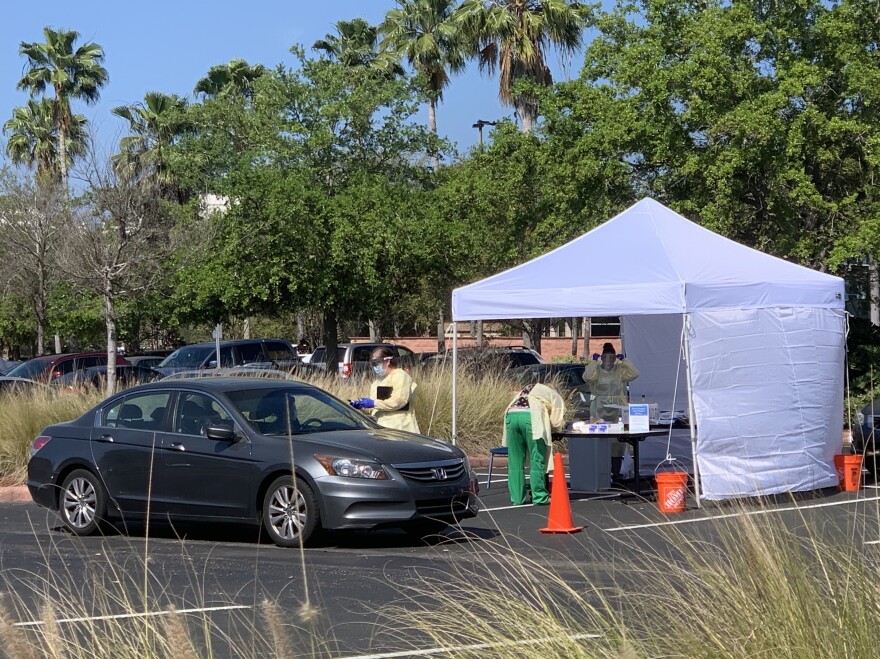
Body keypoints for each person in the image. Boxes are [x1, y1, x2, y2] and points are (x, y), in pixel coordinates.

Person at [582, 342, 640, 481]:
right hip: (599, 409)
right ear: (602, 357)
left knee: (617, 443)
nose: (609, 362)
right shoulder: (596, 370)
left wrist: (625, 361)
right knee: (600, 440)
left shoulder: (619, 370)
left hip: (617, 408)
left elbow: (635, 374)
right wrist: (593, 362)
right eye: (606, 358)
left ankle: (616, 472)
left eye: (612, 358)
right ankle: (601, 471)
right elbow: (588, 377)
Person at [501, 382, 566, 506]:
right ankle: (539, 497)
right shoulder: (553, 394)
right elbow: (557, 420)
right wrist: (555, 430)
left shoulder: (527, 389)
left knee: (515, 460)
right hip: (531, 417)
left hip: (511, 415)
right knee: (537, 457)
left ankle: (517, 498)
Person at [350, 347, 420, 433]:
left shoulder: (400, 376)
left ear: (387, 361)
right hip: (381, 428)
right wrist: (362, 406)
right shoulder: (377, 382)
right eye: (373, 364)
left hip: (400, 428)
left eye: (377, 363)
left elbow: (399, 401)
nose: (375, 367)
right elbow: (376, 407)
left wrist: (373, 403)